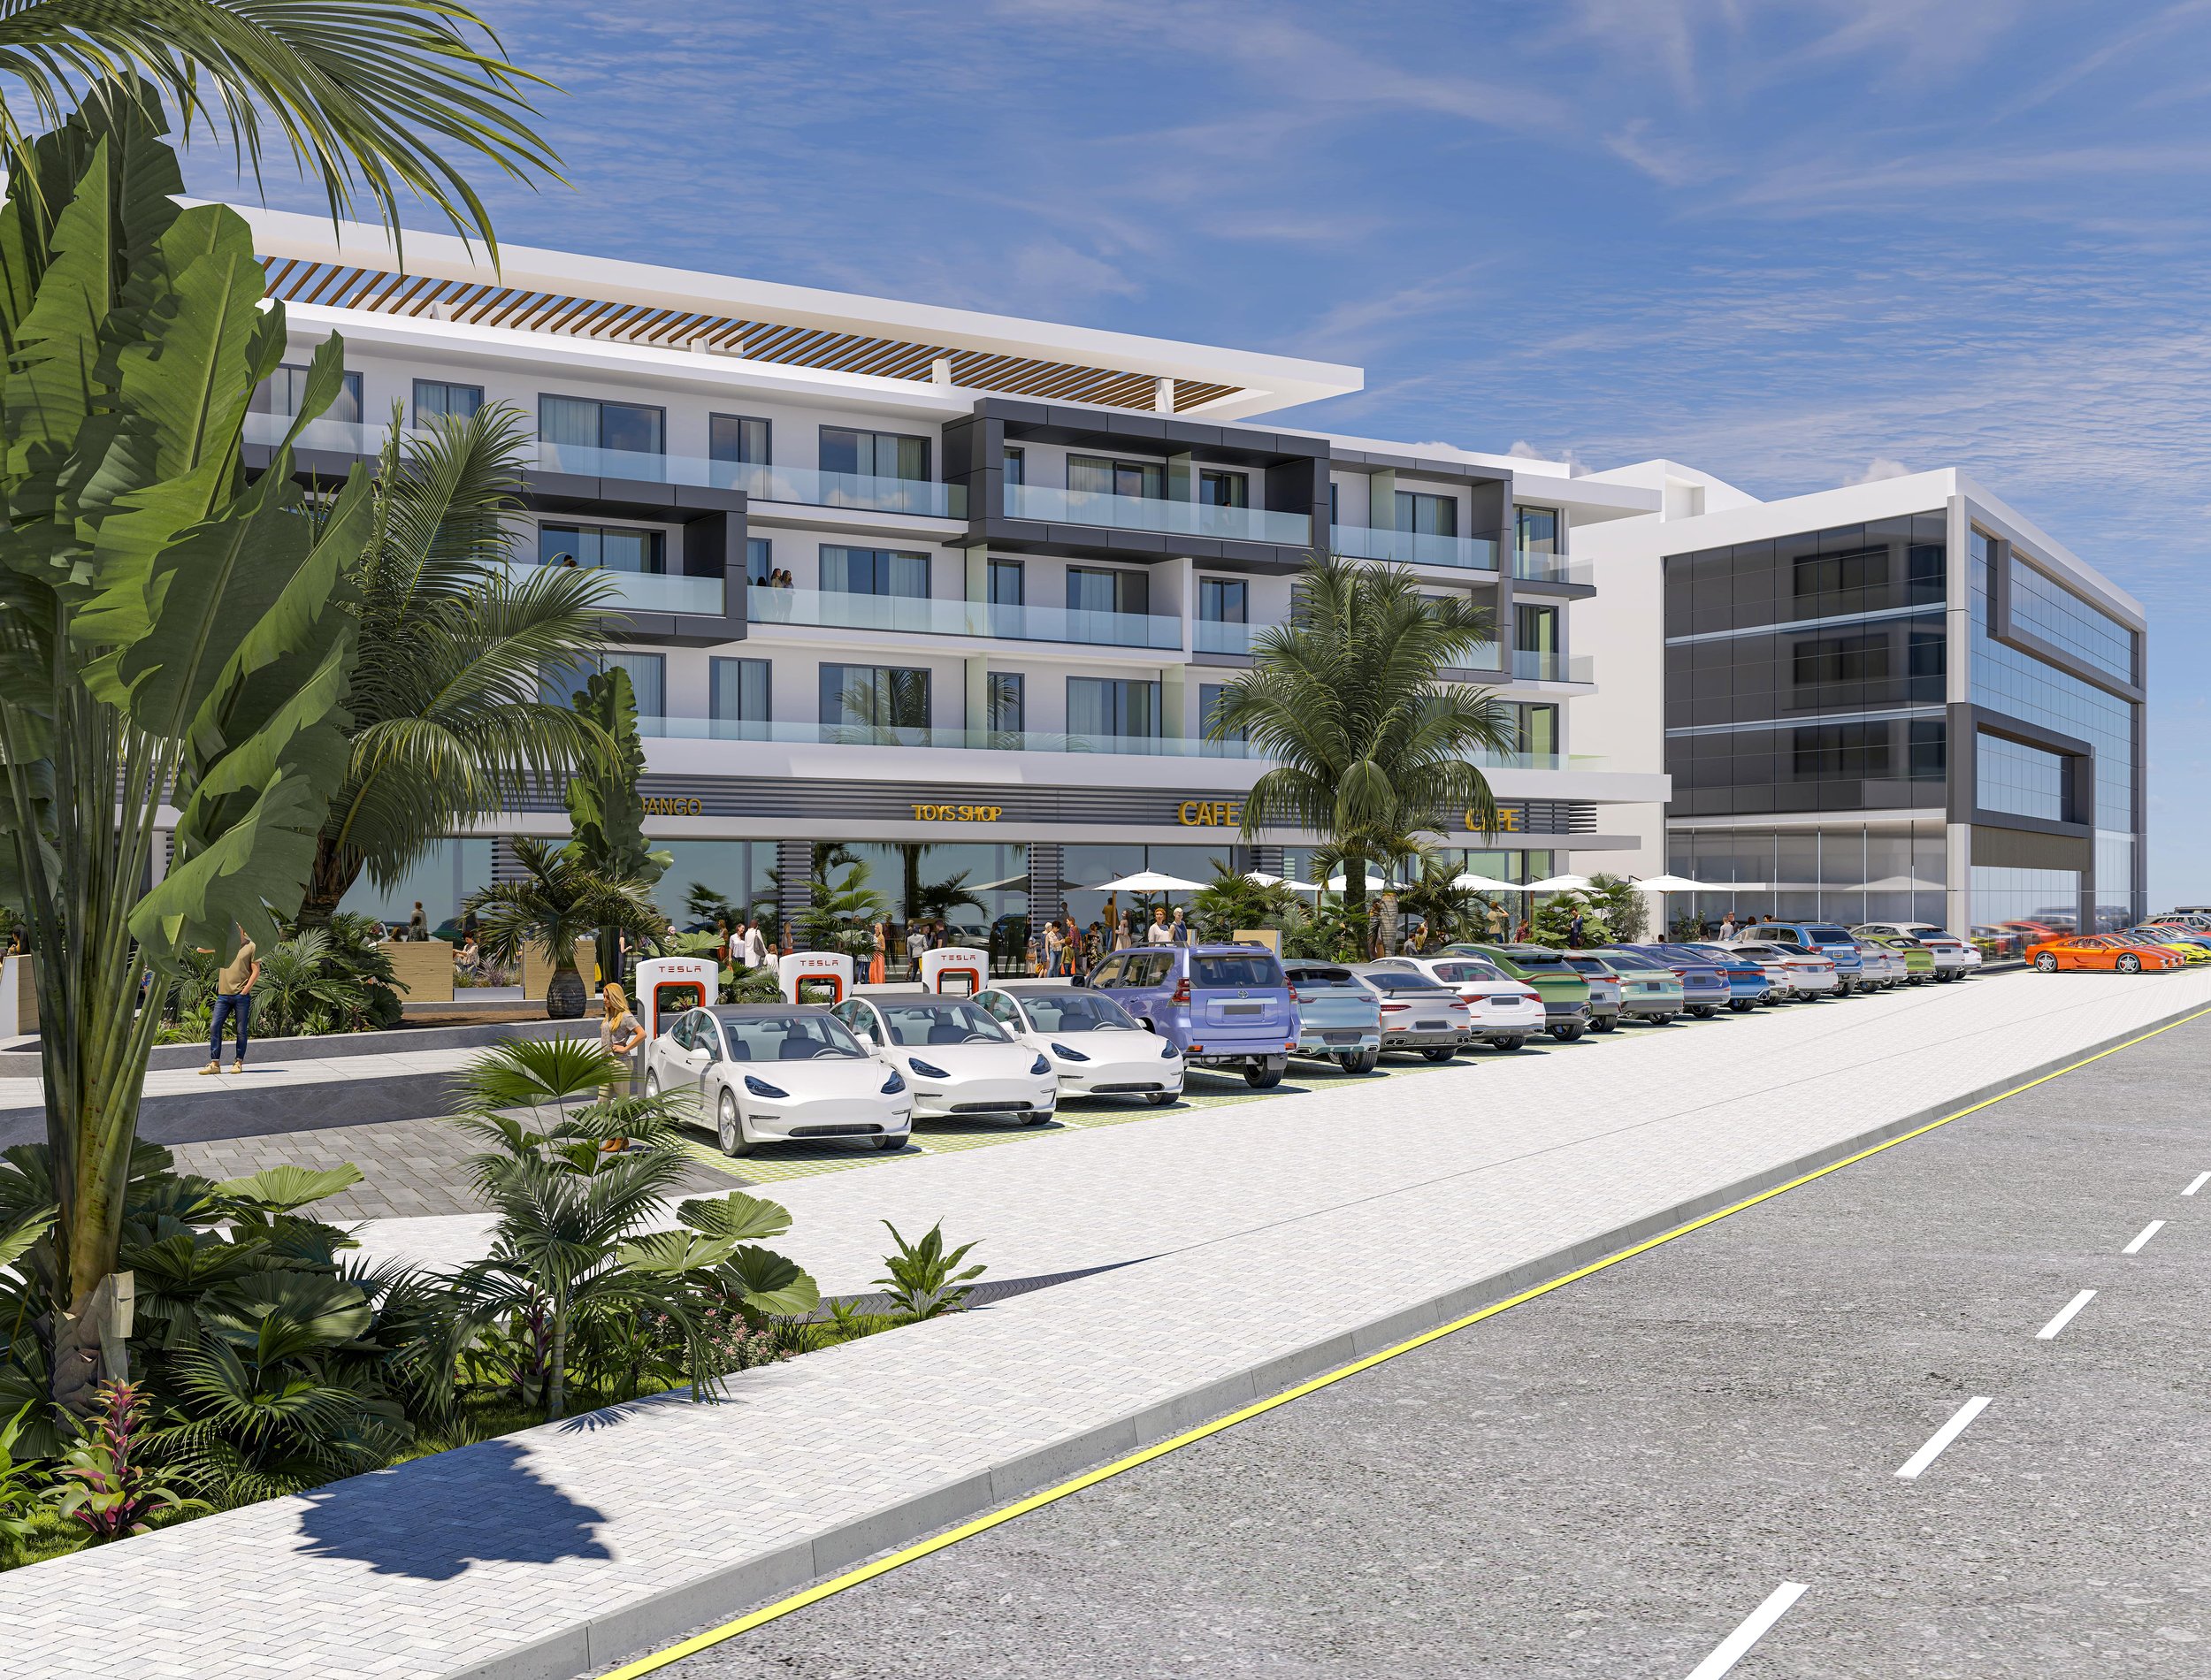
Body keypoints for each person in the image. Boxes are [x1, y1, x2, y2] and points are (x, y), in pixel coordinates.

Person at [200, 931, 259, 1076]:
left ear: (242, 928)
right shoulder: (224, 945)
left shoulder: (251, 946)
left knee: (241, 1031)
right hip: (223, 995)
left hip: (241, 996)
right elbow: (200, 949)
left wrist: (244, 991)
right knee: (214, 1026)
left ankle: (238, 1062)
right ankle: (215, 1064)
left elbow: (256, 971)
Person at [869, 920, 888, 986]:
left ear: (880, 929)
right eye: (875, 927)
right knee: (873, 969)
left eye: (877, 928)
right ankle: (873, 981)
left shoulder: (881, 937)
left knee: (879, 970)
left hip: (879, 955)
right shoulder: (873, 936)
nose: (875, 929)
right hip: (874, 954)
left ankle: (879, 982)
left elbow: (884, 948)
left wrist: (878, 947)